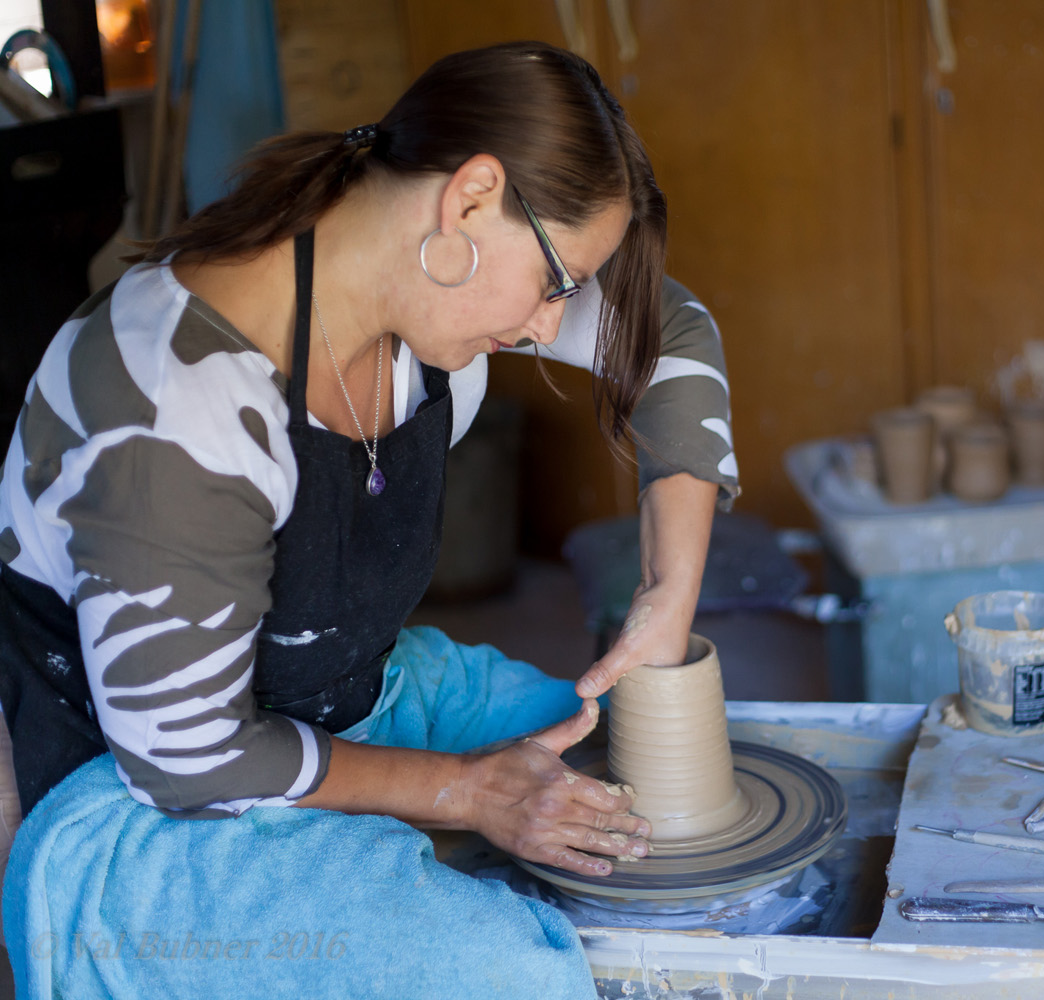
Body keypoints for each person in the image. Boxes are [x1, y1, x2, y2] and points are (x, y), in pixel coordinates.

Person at [0, 41, 737, 999]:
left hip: (350, 698)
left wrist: (666, 594)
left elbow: (669, 332)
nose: (553, 324)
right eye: (556, 282)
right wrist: (464, 790)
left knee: (619, 761)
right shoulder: (175, 399)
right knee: (508, 974)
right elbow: (192, 762)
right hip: (137, 810)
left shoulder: (422, 302)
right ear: (469, 200)